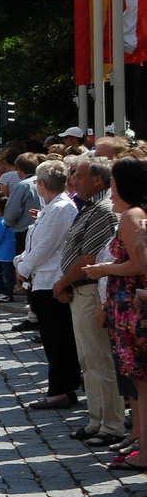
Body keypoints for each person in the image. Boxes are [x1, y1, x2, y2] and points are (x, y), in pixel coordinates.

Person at [56, 158, 125, 445]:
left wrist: (61, 282)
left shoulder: (104, 211)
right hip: (80, 291)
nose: (73, 179)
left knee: (99, 362)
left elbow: (89, 257)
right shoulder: (92, 208)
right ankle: (96, 419)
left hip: (90, 291)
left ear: (98, 180)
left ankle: (111, 424)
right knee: (88, 362)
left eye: (79, 175)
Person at [89, 157, 147, 471]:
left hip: (134, 306)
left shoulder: (132, 215)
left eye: (112, 184)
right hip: (127, 305)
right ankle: (140, 441)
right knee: (136, 382)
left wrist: (103, 269)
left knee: (140, 381)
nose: (110, 192)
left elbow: (139, 264)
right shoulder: (131, 214)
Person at [15, 160, 80, 412]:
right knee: (52, 340)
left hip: (51, 280)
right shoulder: (52, 207)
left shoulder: (61, 208)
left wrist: (22, 268)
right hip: (42, 280)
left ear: (42, 184)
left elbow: (45, 247)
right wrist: (21, 262)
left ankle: (60, 390)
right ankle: (61, 388)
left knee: (58, 340)